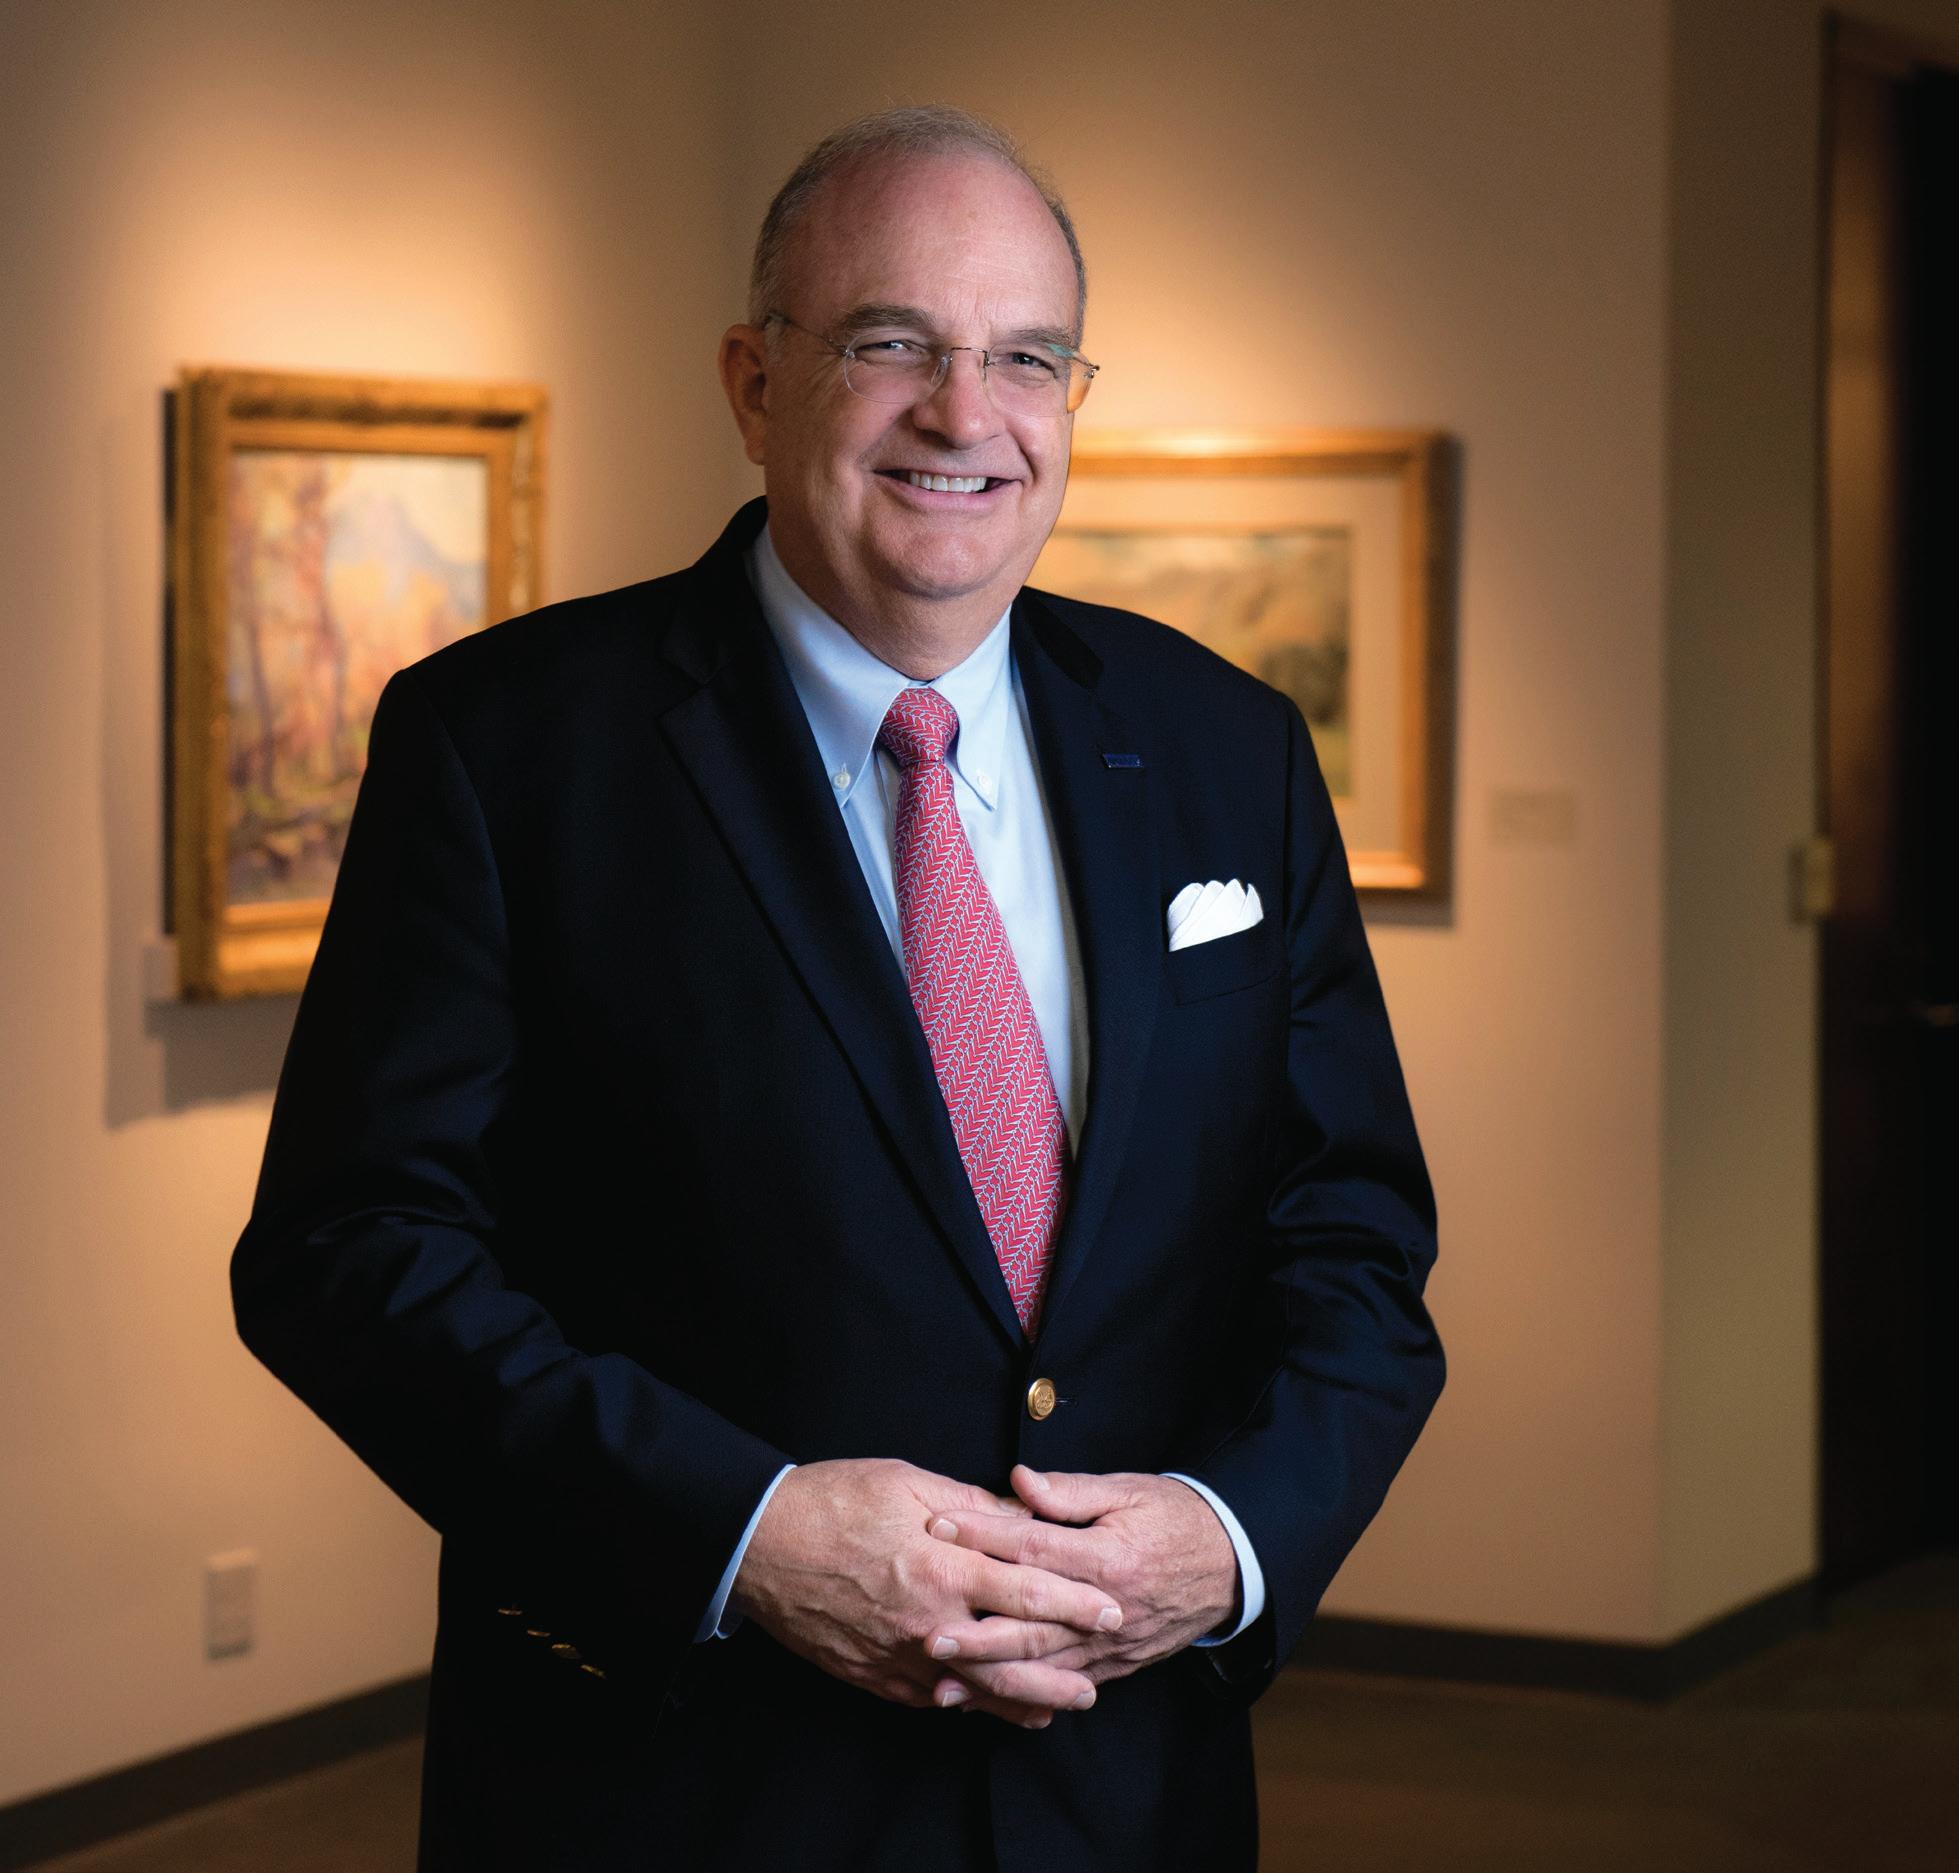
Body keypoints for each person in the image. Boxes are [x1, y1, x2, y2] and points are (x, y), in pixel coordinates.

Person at [231, 105, 1443, 1872]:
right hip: (680, 1796)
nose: (966, 413)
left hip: (1122, 1790)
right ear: (753, 382)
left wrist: (1230, 1535)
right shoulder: (507, 748)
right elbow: (348, 1251)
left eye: (1026, 358)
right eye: (892, 344)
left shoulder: (1224, 749)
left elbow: (1353, 1241)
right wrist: (745, 1533)